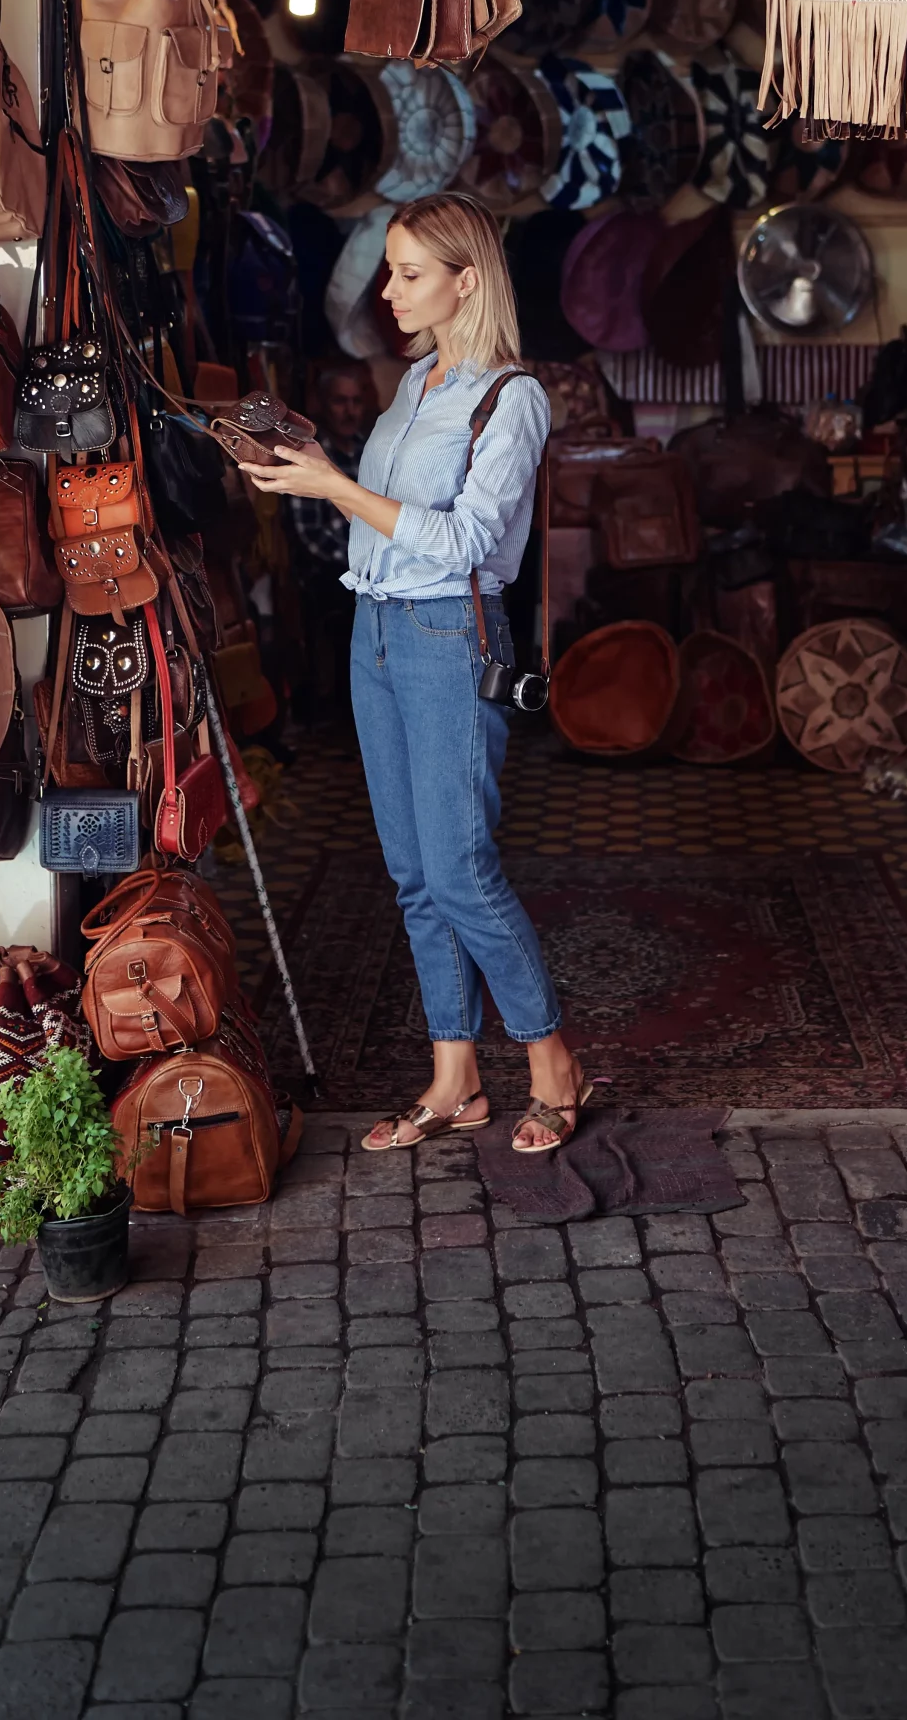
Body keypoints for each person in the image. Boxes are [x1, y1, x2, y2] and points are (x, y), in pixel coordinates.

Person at [243, 190, 587, 1155]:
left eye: (409, 274)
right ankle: (456, 1076)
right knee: (410, 874)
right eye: (390, 271)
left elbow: (469, 540)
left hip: (449, 638)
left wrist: (341, 486)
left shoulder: (509, 398)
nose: (388, 292)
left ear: (464, 282)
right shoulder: (418, 384)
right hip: (379, 632)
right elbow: (388, 520)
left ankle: (552, 1060)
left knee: (461, 868)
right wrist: (313, 462)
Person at [283, 362, 377, 716]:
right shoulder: (309, 456)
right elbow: (312, 538)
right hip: (331, 567)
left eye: (355, 401)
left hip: (372, 562)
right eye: (340, 401)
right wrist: (362, 560)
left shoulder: (372, 451)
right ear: (323, 403)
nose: (349, 411)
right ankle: (345, 707)